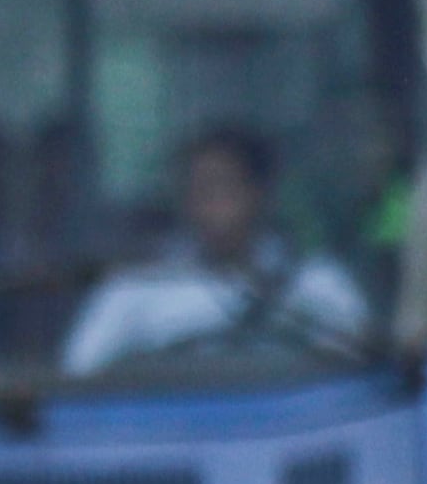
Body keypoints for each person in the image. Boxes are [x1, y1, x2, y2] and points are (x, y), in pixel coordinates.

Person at [60, 125, 371, 378]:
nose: (210, 206)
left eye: (224, 187)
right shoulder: (139, 285)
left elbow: (359, 370)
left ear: (260, 193)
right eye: (197, 191)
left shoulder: (315, 281)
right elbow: (79, 373)